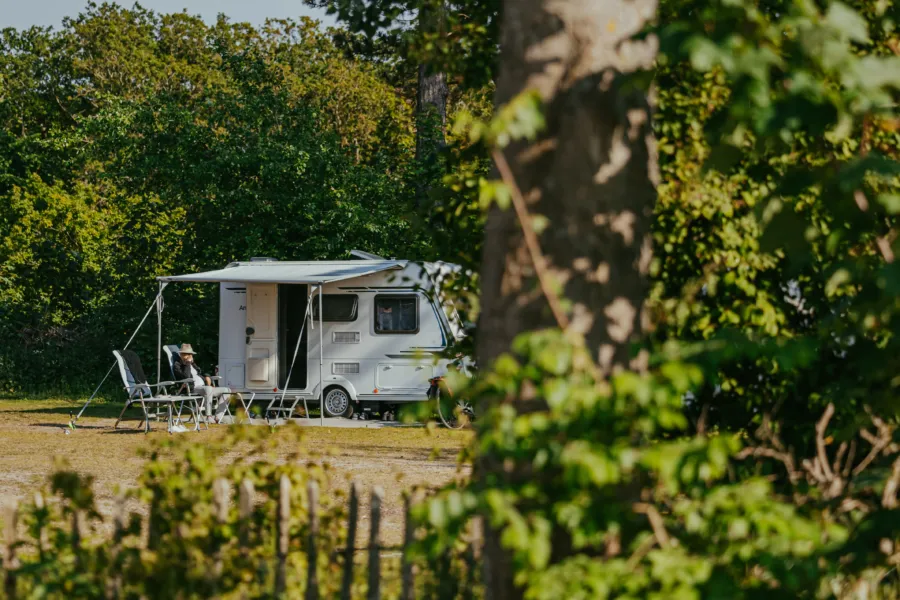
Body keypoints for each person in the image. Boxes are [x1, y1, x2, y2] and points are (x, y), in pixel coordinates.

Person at [172, 343, 230, 418]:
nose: (189, 356)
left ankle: (218, 416)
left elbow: (200, 372)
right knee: (208, 388)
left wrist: (207, 377)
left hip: (204, 388)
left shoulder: (192, 364)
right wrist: (188, 363)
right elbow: (186, 376)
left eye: (190, 354)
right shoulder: (177, 365)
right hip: (192, 389)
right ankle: (208, 416)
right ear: (181, 355)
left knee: (227, 390)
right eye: (187, 354)